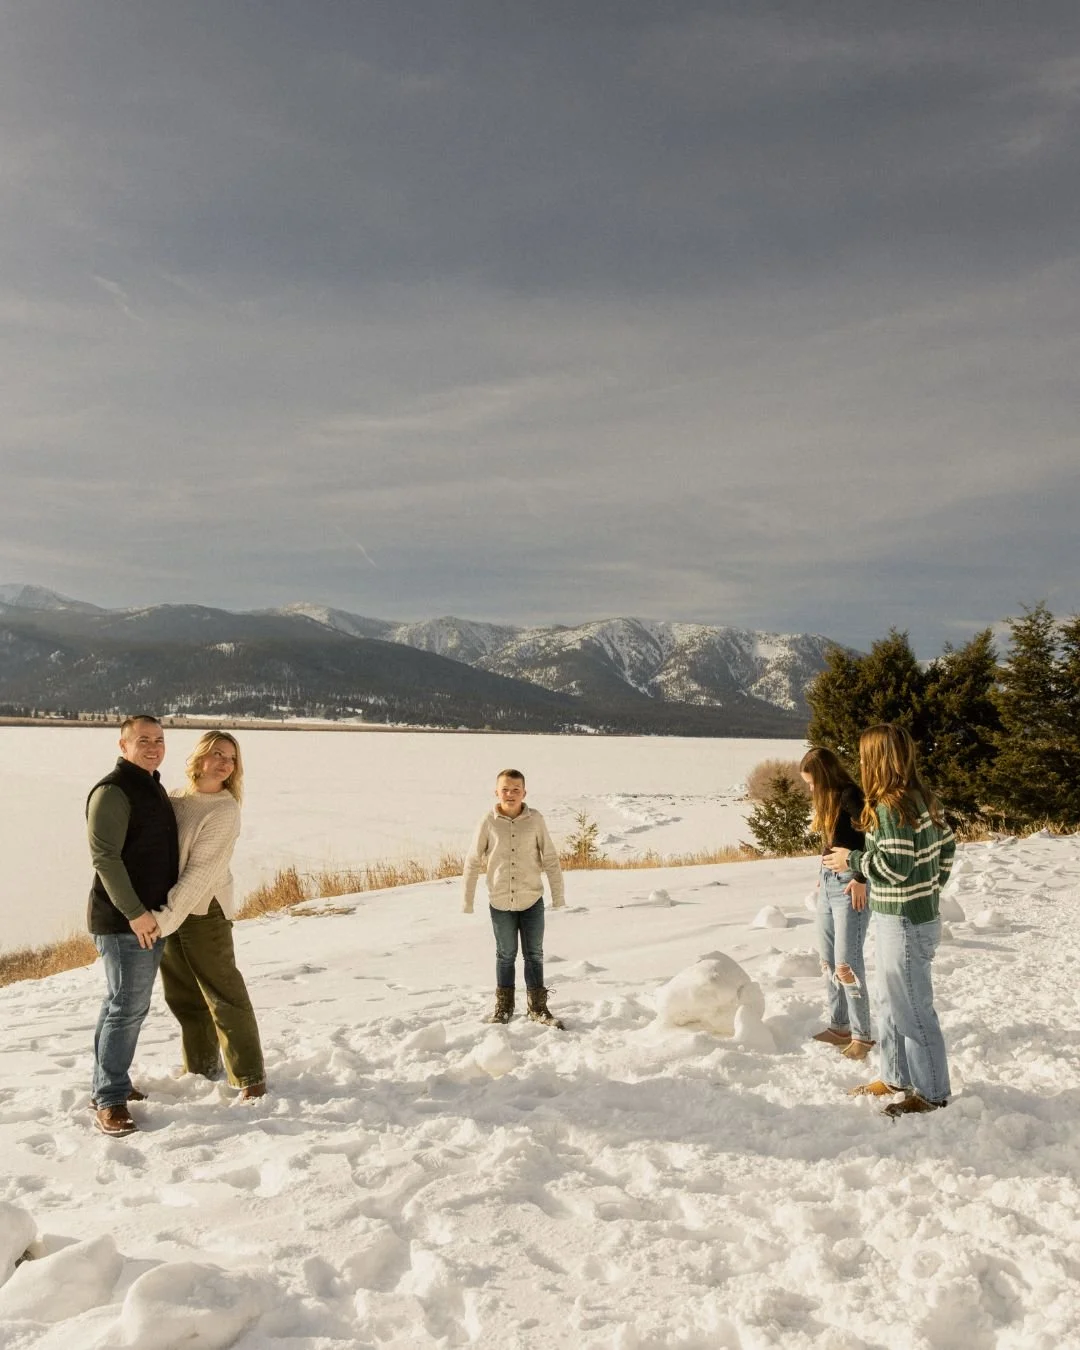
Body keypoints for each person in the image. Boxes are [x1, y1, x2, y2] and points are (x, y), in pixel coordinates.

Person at [823, 724, 956, 1117]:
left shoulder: (891, 807)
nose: (860, 762)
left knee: (912, 1009)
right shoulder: (922, 797)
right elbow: (947, 847)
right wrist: (931, 887)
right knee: (890, 1001)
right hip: (904, 916)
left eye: (864, 755)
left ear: (877, 759)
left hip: (904, 921)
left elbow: (893, 867)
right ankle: (896, 1076)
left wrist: (852, 859)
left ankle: (931, 1094)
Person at [155, 732, 266, 1100]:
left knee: (224, 995)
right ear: (200, 756)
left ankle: (249, 1076)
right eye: (217, 753)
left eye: (231, 758)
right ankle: (201, 1067)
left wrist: (163, 921)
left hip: (204, 911)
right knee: (183, 994)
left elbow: (200, 872)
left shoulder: (224, 809)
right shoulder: (177, 798)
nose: (224, 762)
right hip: (172, 907)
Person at [87, 715, 179, 1136]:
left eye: (159, 739)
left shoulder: (150, 785)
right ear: (123, 745)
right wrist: (136, 913)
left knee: (118, 1004)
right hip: (125, 919)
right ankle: (109, 1101)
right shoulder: (113, 791)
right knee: (127, 1008)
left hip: (145, 917)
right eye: (143, 740)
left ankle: (110, 1085)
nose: (153, 746)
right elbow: (106, 858)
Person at [463, 769, 566, 1027]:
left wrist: (558, 895)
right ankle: (504, 1007)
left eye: (515, 790)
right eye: (505, 789)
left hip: (532, 899)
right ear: (496, 792)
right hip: (500, 902)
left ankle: (537, 1008)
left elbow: (550, 858)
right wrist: (467, 899)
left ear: (524, 792)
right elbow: (473, 860)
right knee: (505, 955)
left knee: (534, 954)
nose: (510, 794)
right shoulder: (487, 821)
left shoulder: (535, 820)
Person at [800, 747, 874, 1061]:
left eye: (812, 782)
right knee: (828, 959)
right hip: (830, 882)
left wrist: (860, 877)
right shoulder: (829, 801)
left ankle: (862, 1036)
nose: (810, 788)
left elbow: (872, 837)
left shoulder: (850, 796)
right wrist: (823, 870)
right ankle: (839, 1026)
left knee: (847, 963)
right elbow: (834, 841)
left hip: (850, 885)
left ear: (825, 775)